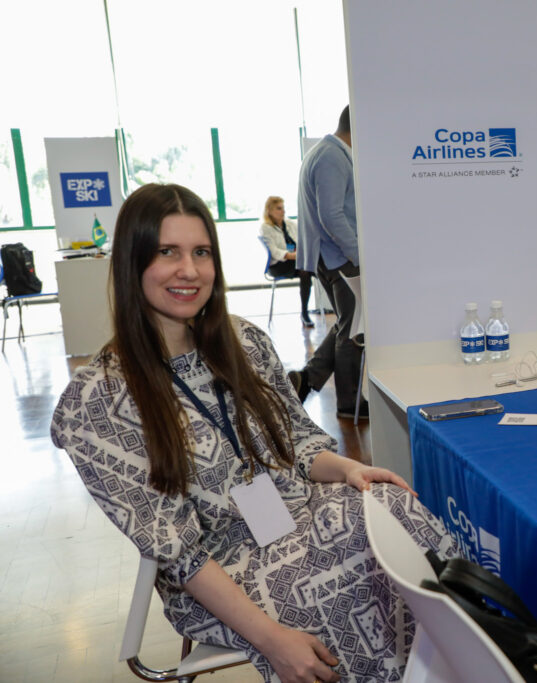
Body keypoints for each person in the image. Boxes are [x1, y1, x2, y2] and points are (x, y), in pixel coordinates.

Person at [50, 183, 458, 683]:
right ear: (132, 263)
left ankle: (476, 662)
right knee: (346, 582)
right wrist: (274, 641)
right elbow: (178, 552)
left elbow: (301, 446)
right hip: (219, 570)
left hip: (300, 516)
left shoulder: (243, 341)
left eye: (202, 252)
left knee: (394, 508)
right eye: (167, 253)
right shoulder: (99, 400)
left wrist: (352, 469)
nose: (190, 270)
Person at [291, 105, 364, 419]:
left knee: (349, 322)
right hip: (338, 256)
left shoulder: (328, 152)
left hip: (331, 255)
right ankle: (349, 404)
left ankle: (307, 378)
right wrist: (360, 255)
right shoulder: (332, 156)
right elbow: (331, 214)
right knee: (353, 330)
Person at [259, 196, 315, 327]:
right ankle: (305, 313)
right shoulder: (265, 228)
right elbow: (274, 252)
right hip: (279, 265)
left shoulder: (289, 224)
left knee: (315, 269)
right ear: (269, 210)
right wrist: (294, 256)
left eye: (283, 208)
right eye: (279, 208)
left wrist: (303, 253)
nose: (283, 211)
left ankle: (336, 308)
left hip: (296, 261)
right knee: (306, 270)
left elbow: (303, 239)